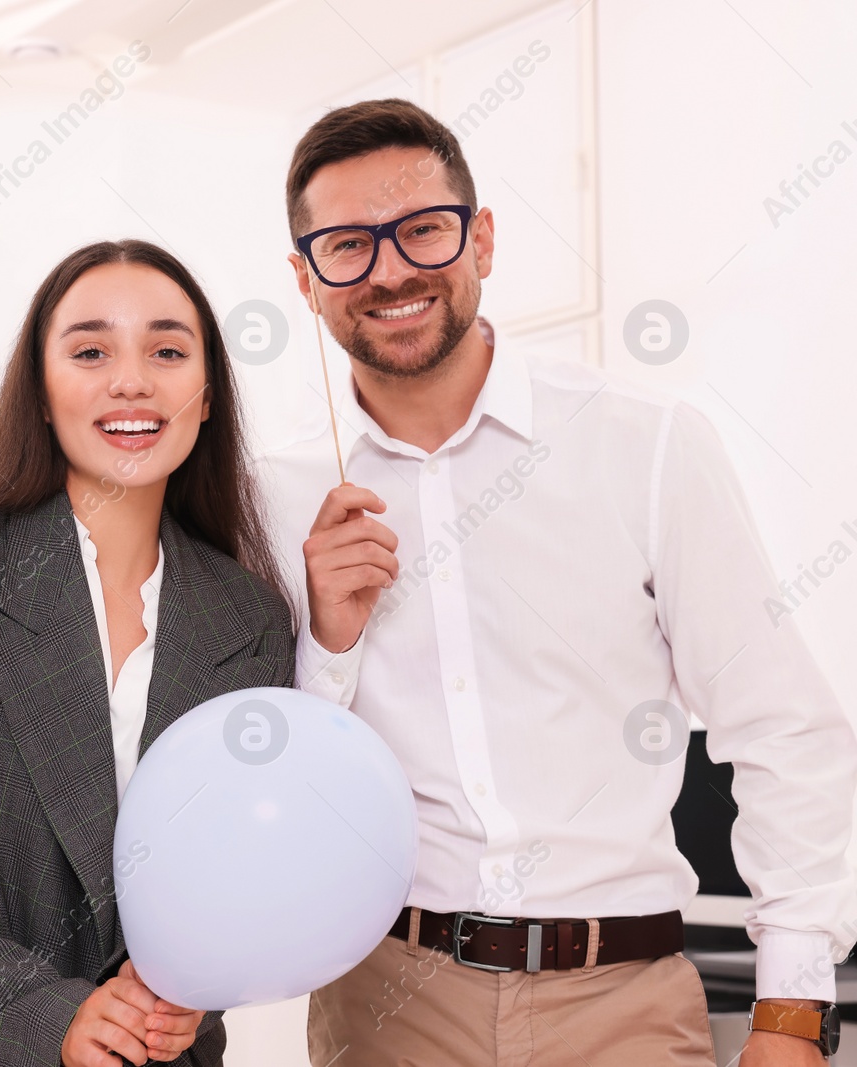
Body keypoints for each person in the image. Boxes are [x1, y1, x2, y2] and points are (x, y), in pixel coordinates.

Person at [261, 98, 857, 1066]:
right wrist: (326, 641)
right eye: (346, 246)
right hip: (388, 1006)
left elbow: (782, 722)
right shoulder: (271, 496)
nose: (390, 269)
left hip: (622, 1002)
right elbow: (270, 778)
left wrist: (791, 1013)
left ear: (482, 238)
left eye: (421, 229)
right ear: (304, 279)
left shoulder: (644, 443)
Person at [0, 240, 295, 1067]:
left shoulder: (247, 615)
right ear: (40, 390)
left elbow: (242, 869)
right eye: (90, 351)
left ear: (207, 394)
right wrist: (47, 1016)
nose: (132, 381)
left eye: (169, 351)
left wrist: (192, 989)